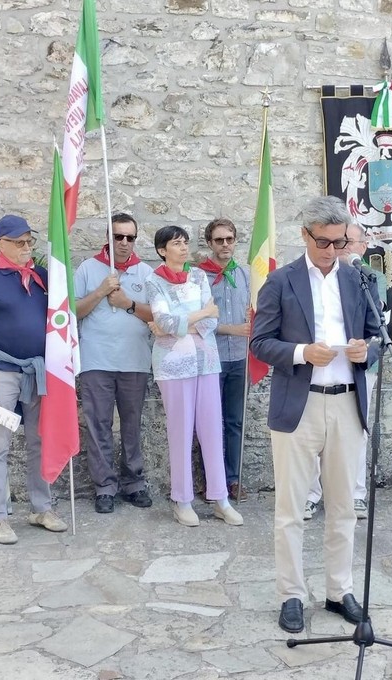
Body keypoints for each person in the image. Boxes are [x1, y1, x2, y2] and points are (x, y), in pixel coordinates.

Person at [250, 196, 380, 634]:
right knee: (291, 508)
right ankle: (291, 593)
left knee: (344, 505)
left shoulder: (359, 278)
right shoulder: (281, 281)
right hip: (299, 406)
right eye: (324, 241)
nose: (331, 250)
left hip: (347, 402)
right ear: (305, 235)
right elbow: (260, 342)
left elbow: (379, 336)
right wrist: (303, 352)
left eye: (340, 242)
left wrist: (367, 351)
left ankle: (338, 588)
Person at [0, 214, 68, 544]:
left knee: (40, 441)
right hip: (2, 377)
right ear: (0, 244)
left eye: (29, 241)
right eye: (19, 242)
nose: (26, 248)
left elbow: (64, 315)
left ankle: (41, 507)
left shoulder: (41, 276)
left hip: (37, 375)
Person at [145, 225, 243, 528]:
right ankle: (182, 499)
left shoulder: (199, 276)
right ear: (163, 249)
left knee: (212, 430)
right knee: (181, 431)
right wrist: (197, 316)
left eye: (185, 242)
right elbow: (162, 319)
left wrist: (179, 324)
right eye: (176, 243)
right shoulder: (154, 281)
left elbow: (209, 323)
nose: (184, 248)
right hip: (174, 365)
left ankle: (220, 498)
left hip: (207, 361)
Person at [303, 222, 387, 522]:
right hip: (314, 375)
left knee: (357, 435)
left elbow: (378, 330)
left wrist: (366, 349)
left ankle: (356, 494)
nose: (345, 248)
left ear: (363, 247)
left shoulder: (370, 278)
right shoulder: (309, 279)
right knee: (312, 439)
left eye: (350, 242)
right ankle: (312, 496)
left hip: (359, 371)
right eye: (340, 242)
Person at [74, 212, 155, 514]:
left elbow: (157, 315)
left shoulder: (146, 272)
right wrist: (101, 291)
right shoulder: (88, 268)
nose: (123, 242)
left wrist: (128, 304)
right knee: (99, 426)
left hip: (134, 361)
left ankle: (134, 483)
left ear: (135, 239)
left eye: (129, 237)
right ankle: (105, 487)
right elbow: (72, 312)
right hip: (97, 360)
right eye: (118, 236)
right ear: (108, 238)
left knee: (132, 426)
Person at [198, 218, 250, 502]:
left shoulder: (244, 274)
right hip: (211, 359)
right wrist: (232, 329)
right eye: (219, 240)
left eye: (230, 239)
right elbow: (198, 319)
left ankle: (233, 479)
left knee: (235, 421)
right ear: (210, 243)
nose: (225, 245)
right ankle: (212, 480)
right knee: (209, 422)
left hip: (240, 358)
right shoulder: (198, 277)